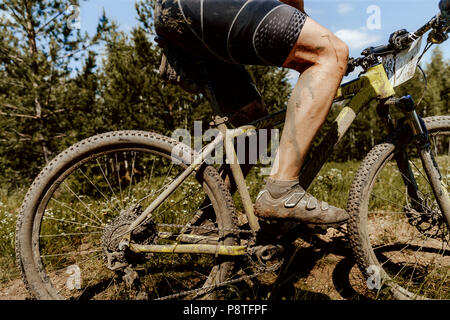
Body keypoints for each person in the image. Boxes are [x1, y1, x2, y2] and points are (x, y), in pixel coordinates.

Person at [155, 0, 351, 226]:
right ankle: (282, 191)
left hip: (174, 13)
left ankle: (211, 219)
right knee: (331, 52)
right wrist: (305, 29)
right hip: (206, 7)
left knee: (255, 127)